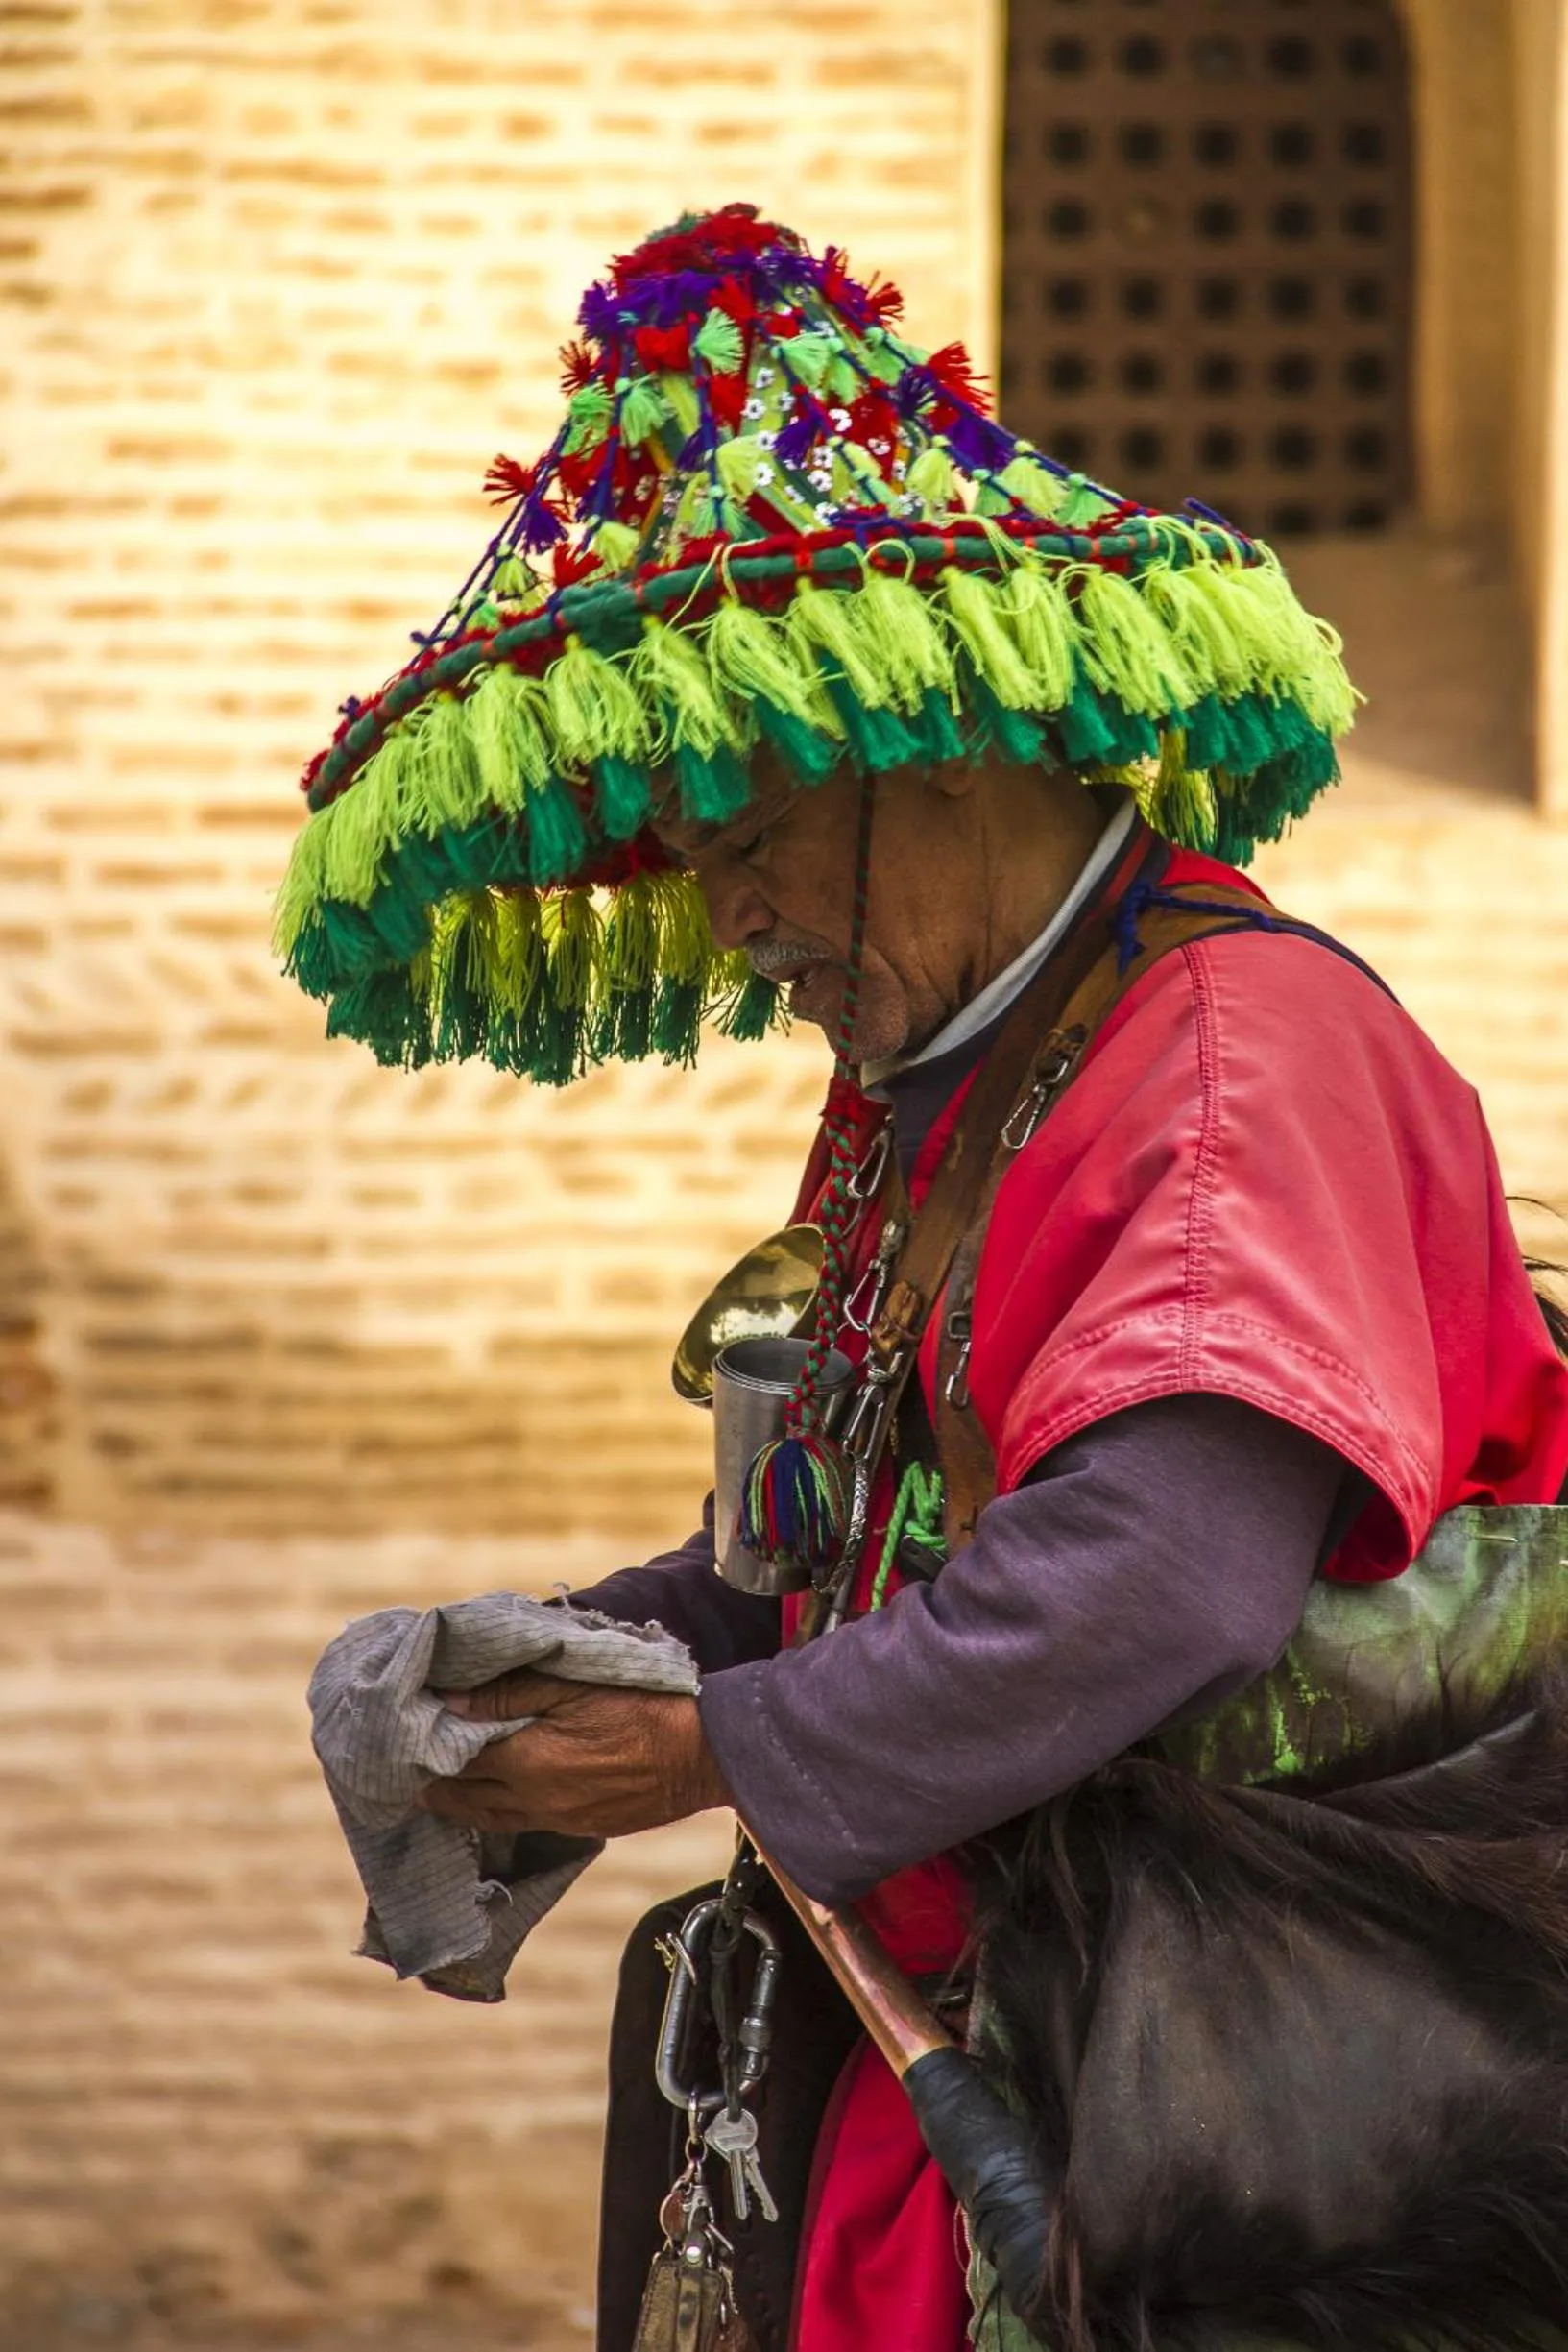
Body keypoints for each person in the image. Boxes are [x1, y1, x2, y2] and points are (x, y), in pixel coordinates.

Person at [279, 206, 1568, 2351]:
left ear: (931, 748)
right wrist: (575, 1667)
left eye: (748, 831)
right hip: (967, 2093)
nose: (732, 913)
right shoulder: (942, 1093)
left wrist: (711, 1751)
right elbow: (835, 1561)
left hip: (1246, 2154)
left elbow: (1156, 1576)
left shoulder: (1236, 1060)